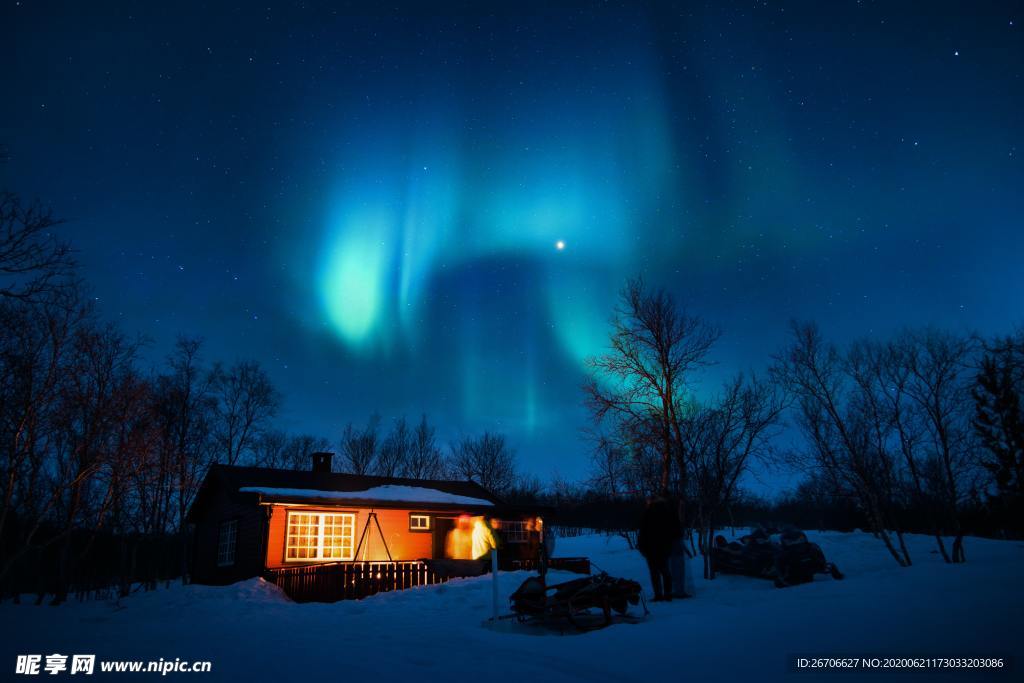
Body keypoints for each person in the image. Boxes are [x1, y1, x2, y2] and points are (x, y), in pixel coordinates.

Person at [637, 495, 681, 601]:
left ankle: (659, 594)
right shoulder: (667, 512)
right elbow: (675, 530)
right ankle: (667, 594)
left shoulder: (648, 513)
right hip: (664, 547)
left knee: (655, 572)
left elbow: (643, 531)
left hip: (651, 547)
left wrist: (642, 546)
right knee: (664, 571)